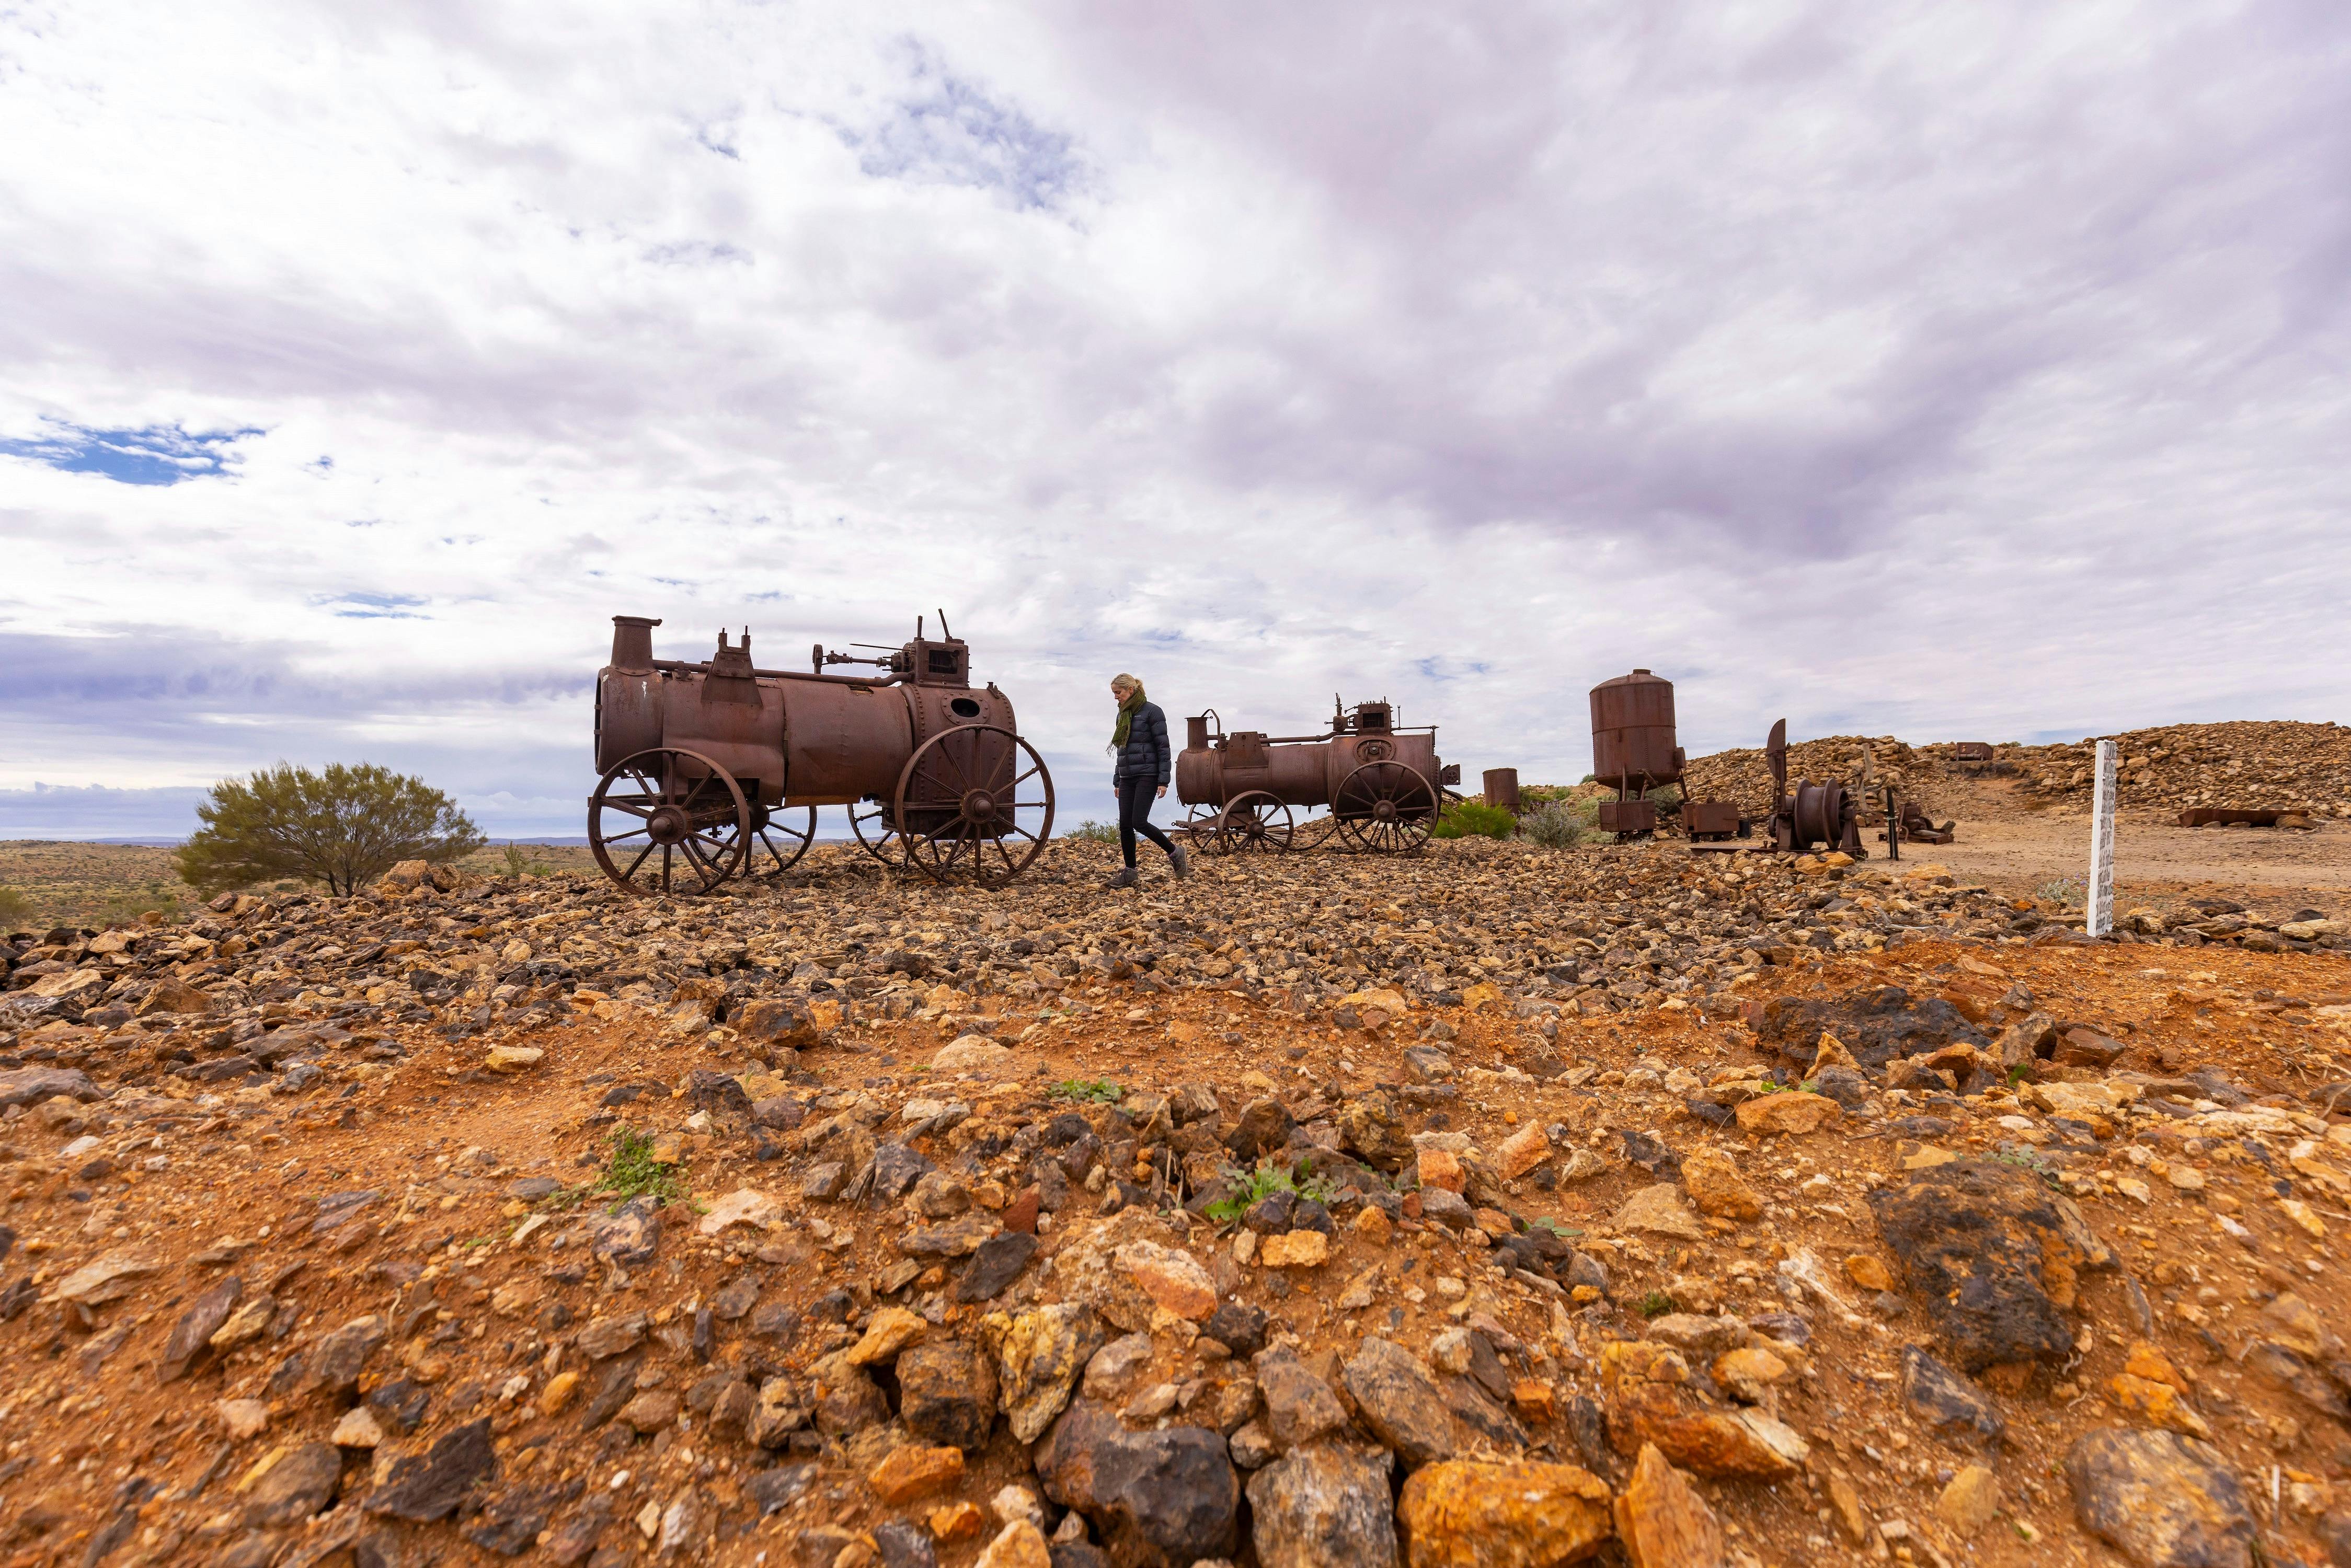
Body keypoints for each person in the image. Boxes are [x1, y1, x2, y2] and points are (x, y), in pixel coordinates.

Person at [1106, 673, 1187, 888]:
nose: (1116, 697)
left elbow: (1163, 747)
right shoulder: (1122, 715)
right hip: (1127, 776)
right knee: (1125, 825)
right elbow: (1121, 749)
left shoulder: (1153, 711)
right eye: (1114, 693)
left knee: (1138, 821)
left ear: (1130, 690)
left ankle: (1175, 851)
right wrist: (1117, 779)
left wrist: (1164, 779)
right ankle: (1130, 872)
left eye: (1118, 692)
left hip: (1148, 775)